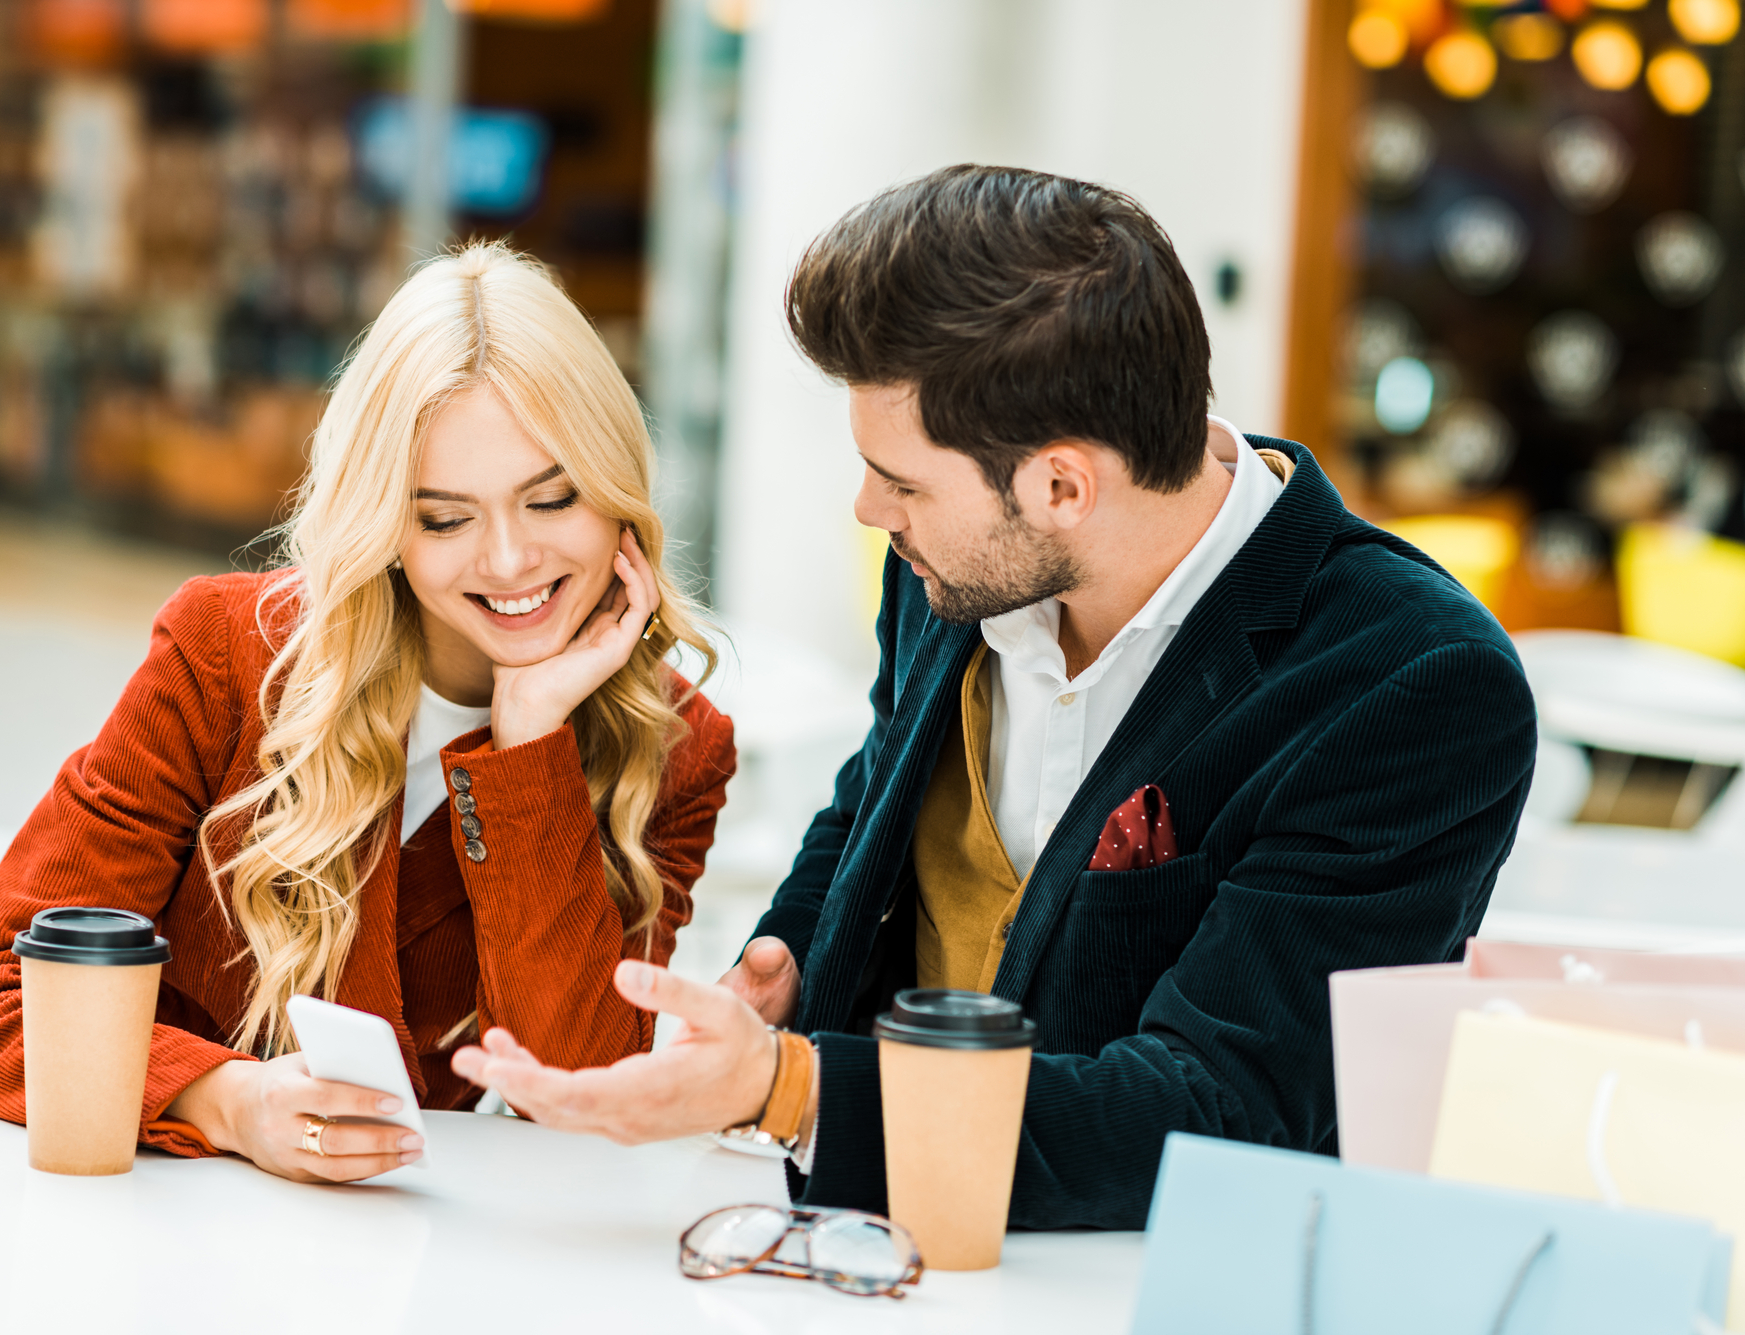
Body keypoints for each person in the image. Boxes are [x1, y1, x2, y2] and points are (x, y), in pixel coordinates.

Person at [448, 166, 1537, 1228]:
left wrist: (791, 1089)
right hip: (837, 1253)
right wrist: (780, 966)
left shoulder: (1414, 685)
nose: (870, 509)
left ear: (1061, 484)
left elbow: (1220, 1105)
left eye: (903, 481)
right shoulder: (950, 567)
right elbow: (874, 795)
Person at [0, 243, 736, 1185]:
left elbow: (581, 1092)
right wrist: (229, 1102)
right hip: (129, 1210)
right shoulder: (227, 654)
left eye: (552, 499)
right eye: (445, 518)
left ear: (618, 496)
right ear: (385, 527)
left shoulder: (675, 748)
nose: (511, 559)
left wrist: (532, 743)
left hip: (376, 1267)